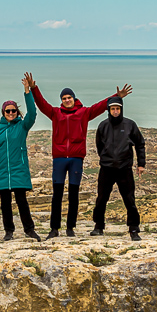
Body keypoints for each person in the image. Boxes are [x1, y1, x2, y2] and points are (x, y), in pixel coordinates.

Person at [28, 73, 132, 239]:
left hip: (76, 158)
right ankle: (54, 229)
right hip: (60, 158)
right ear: (61, 100)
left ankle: (70, 228)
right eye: (64, 98)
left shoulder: (84, 112)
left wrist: (116, 97)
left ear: (74, 99)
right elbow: (42, 104)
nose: (67, 100)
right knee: (57, 195)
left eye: (69, 97)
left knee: (74, 195)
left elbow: (99, 107)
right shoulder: (55, 113)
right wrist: (34, 88)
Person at [0, 74, 40, 241]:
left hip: (18, 170)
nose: (10, 113)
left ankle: (29, 230)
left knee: (22, 201)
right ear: (3, 112)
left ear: (17, 112)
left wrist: (27, 91)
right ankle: (8, 231)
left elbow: (32, 112)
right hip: (1, 171)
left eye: (13, 110)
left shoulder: (22, 126)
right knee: (5, 204)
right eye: (8, 111)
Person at [90, 96, 146, 240]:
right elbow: (99, 146)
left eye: (118, 109)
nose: (115, 111)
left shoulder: (130, 125)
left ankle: (133, 229)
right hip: (107, 169)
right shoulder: (103, 126)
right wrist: (105, 158)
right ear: (108, 110)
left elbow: (140, 144)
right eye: (113, 109)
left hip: (124, 169)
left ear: (121, 109)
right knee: (102, 198)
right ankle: (98, 226)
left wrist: (141, 164)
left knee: (129, 199)